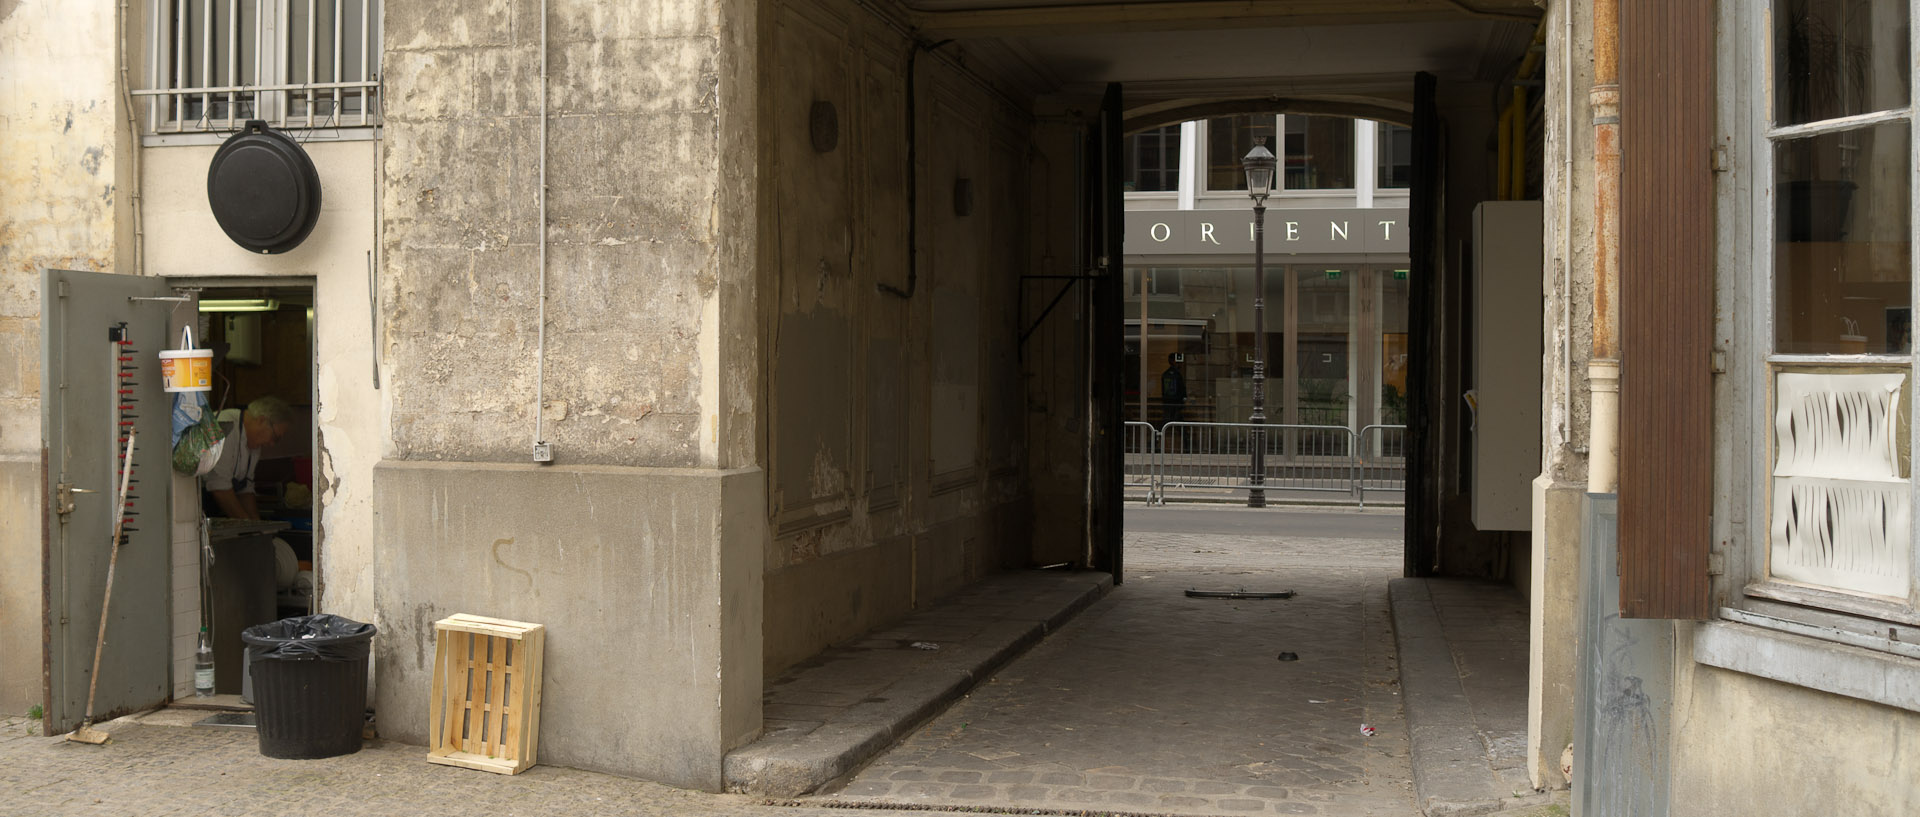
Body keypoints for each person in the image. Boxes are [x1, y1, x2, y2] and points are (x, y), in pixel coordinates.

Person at [204, 396, 293, 520]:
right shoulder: (225, 426)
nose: (272, 444)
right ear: (262, 420)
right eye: (275, 437)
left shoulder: (254, 443)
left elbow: (246, 489)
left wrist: (257, 527)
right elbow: (220, 488)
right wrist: (248, 527)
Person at [1159, 352, 1187, 426]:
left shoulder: (1168, 374)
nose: (1180, 364)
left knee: (1171, 420)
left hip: (1170, 402)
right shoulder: (1174, 374)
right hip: (1174, 402)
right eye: (1177, 361)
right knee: (1173, 420)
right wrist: (1182, 398)